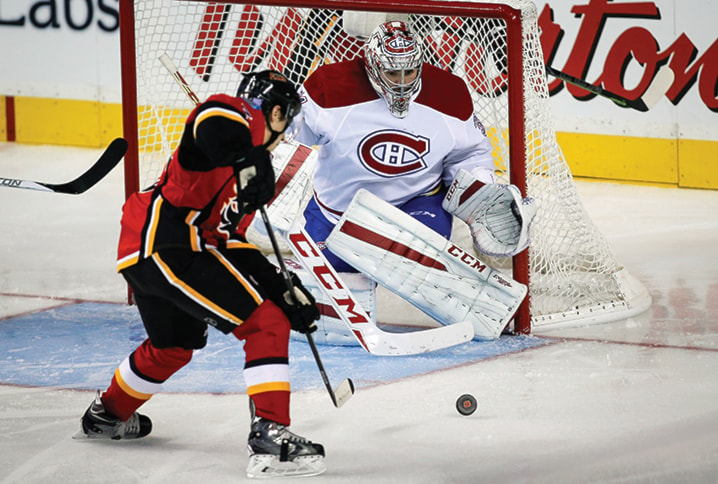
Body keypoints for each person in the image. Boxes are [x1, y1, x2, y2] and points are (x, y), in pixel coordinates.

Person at [75, 70, 327, 479]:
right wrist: (250, 156)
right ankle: (270, 437)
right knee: (265, 324)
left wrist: (281, 287)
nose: (283, 138)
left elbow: (231, 243)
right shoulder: (235, 116)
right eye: (285, 124)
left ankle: (107, 414)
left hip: (147, 253)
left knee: (174, 345)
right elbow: (210, 121)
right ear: (276, 111)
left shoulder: (243, 180)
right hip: (166, 245)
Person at [292, 20, 535, 343]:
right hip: (336, 213)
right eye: (394, 74)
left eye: (410, 72)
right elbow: (288, 135)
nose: (403, 83)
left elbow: (468, 154)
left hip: (415, 208)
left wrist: (482, 190)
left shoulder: (449, 94)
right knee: (330, 331)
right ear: (373, 66)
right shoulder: (329, 87)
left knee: (426, 272)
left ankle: (444, 279)